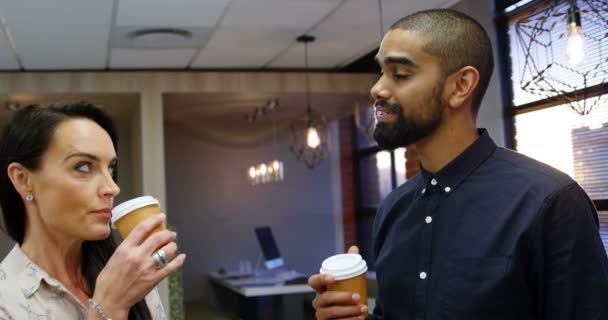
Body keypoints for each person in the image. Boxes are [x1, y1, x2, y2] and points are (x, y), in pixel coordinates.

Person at [309, 8, 608, 320]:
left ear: (461, 86)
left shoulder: (551, 203)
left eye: (399, 74)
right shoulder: (393, 209)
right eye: (381, 73)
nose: (377, 89)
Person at [0, 102, 186, 319]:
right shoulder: (6, 301)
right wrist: (110, 306)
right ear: (23, 180)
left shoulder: (127, 273)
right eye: (83, 167)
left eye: (111, 168)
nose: (113, 188)